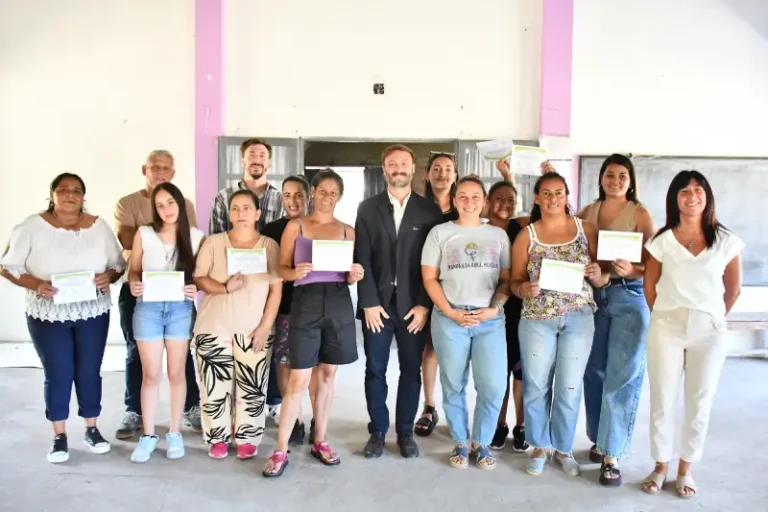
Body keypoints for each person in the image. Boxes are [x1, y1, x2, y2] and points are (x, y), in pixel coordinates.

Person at [1, 173, 125, 463]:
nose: (70, 194)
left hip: (91, 311)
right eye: (63, 189)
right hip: (48, 314)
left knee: (89, 370)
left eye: (76, 190)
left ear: (84, 196)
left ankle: (92, 429)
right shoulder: (32, 226)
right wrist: (36, 285)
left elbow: (118, 264)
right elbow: (8, 266)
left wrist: (108, 276)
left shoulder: (99, 226)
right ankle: (59, 435)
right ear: (52, 195)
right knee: (58, 372)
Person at [641, 171, 743, 499]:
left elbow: (734, 289)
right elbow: (649, 286)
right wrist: (669, 313)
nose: (691, 196)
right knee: (662, 399)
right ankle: (660, 464)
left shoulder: (725, 240)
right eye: (684, 191)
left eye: (698, 190)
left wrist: (710, 316)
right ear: (675, 198)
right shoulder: (662, 240)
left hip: (709, 330)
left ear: (707, 197)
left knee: (699, 400)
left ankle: (685, 467)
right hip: (666, 327)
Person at [263, 169, 364, 477]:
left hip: (337, 305)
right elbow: (280, 268)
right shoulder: (297, 226)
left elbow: (347, 275)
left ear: (339, 197)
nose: (327, 197)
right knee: (298, 380)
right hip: (304, 306)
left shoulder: (348, 230)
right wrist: (296, 272)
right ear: (314, 193)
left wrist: (354, 275)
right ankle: (281, 449)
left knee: (328, 377)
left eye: (334, 193)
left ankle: (320, 439)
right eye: (323, 191)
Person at [510, 172, 605, 477]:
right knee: (536, 385)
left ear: (567, 196)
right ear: (537, 198)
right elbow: (514, 281)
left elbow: (603, 278)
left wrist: (596, 273)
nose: (553, 199)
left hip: (578, 318)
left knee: (569, 385)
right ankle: (539, 445)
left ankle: (563, 448)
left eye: (559, 193)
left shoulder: (585, 229)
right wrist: (524, 289)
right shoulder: (527, 235)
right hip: (538, 320)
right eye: (547, 194)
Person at [355, 144, 443, 459]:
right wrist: (367, 301)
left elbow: (435, 263)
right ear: (385, 169)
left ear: (413, 169)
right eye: (392, 164)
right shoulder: (367, 208)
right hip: (377, 305)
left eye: (404, 163)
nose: (398, 169)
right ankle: (377, 431)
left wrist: (425, 305)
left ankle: (405, 432)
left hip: (413, 306)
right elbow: (361, 256)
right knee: (375, 369)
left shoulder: (430, 212)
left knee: (410, 369)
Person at [421, 176, 511, 470]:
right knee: (454, 383)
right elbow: (429, 278)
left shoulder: (498, 236)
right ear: (455, 199)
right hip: (450, 318)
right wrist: (449, 311)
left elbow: (507, 281)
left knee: (493, 385)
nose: (469, 201)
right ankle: (460, 440)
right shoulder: (439, 233)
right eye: (463, 196)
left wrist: (493, 308)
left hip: (489, 320)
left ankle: (482, 442)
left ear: (484, 201)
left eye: (475, 196)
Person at [579, 154, 657, 486]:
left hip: (629, 294)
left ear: (630, 180)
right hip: (595, 296)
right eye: (609, 175)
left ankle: (612, 455)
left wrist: (633, 270)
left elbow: (654, 264)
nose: (615, 180)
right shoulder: (587, 212)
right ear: (601, 179)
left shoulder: (639, 214)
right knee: (594, 371)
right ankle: (599, 439)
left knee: (621, 375)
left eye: (622, 175)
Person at [113, 150, 201, 439]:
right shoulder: (127, 204)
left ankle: (190, 408)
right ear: (144, 169)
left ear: (173, 173)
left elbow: (191, 249)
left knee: (181, 359)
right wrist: (150, 232)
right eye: (155, 167)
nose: (161, 171)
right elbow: (127, 239)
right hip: (140, 294)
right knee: (134, 354)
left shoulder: (185, 205)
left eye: (166, 168)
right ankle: (134, 412)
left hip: (178, 299)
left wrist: (194, 285)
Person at [193, 189, 282, 459]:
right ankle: (217, 437)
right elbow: (199, 278)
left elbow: (276, 290)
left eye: (246, 208)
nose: (240, 213)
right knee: (213, 388)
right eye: (235, 208)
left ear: (257, 214)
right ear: (229, 213)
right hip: (213, 326)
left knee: (252, 387)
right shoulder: (213, 242)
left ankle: (247, 436)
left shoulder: (269, 246)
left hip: (254, 329)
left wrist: (266, 326)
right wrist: (224, 288)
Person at [127, 183, 205, 463]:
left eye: (170, 203)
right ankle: (148, 436)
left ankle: (174, 433)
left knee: (176, 374)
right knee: (151, 376)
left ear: (180, 204)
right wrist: (135, 283)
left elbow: (200, 276)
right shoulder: (144, 234)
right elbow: (133, 270)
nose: (166, 210)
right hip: (147, 308)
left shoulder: (196, 237)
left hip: (180, 310)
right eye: (160, 205)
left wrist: (195, 288)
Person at [209, 138, 285, 421]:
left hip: (271, 280)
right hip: (235, 282)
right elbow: (215, 241)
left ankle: (272, 402)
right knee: (236, 343)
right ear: (242, 161)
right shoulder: (223, 196)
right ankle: (232, 404)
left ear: (269, 162)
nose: (256, 159)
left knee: (270, 337)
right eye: (251, 154)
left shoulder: (279, 199)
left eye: (262, 155)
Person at [261, 175, 317, 445]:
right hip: (284, 306)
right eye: (287, 195)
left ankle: (319, 419)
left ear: (309, 197)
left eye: (298, 195)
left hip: (317, 307)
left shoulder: (321, 227)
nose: (293, 201)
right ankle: (293, 418)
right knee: (284, 365)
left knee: (315, 368)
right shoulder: (271, 230)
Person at [484, 180, 530, 453]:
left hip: (520, 307)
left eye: (510, 200)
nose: (504, 204)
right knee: (496, 370)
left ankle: (521, 426)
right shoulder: (478, 229)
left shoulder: (521, 228)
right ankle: (498, 424)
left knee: (521, 370)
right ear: (488, 201)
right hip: (487, 307)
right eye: (499, 199)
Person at [415, 151, 458, 437]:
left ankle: (457, 410)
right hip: (422, 286)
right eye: (437, 169)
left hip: (457, 288)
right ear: (428, 174)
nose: (442, 174)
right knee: (429, 349)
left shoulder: (464, 207)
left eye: (448, 169)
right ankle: (429, 406)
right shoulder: (417, 208)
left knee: (456, 352)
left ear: (455, 176)